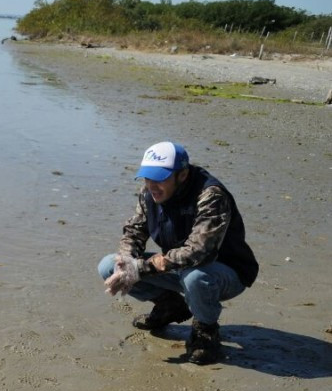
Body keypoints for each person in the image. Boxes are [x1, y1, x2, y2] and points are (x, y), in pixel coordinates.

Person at [99, 141, 258, 365]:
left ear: (182, 175)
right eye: (147, 178)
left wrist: (141, 268)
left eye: (159, 179)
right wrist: (126, 261)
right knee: (110, 266)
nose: (152, 185)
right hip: (178, 267)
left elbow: (198, 253)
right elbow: (134, 231)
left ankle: (205, 331)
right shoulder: (149, 193)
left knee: (195, 277)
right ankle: (170, 306)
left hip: (223, 272)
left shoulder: (211, 196)